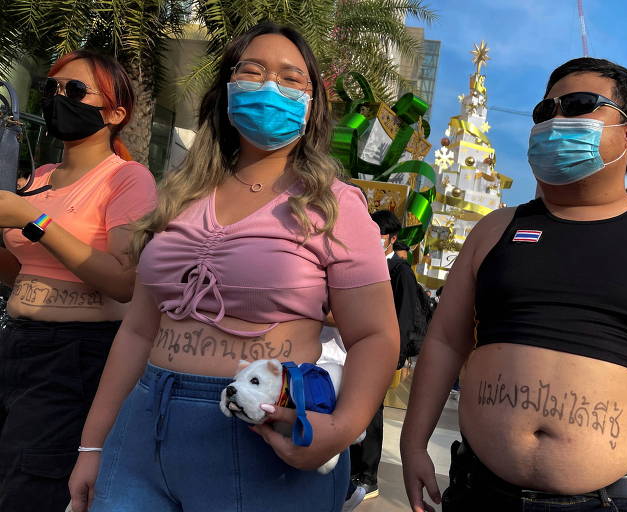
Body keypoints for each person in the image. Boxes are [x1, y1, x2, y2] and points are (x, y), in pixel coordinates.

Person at [401, 57, 627, 512]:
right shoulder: (495, 229)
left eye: (578, 105)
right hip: (481, 493)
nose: (556, 121)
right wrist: (413, 443)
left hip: (614, 502)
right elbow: (445, 340)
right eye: (546, 110)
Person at [67, 23, 398, 512]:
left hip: (260, 436)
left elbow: (376, 335)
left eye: (291, 79)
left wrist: (341, 428)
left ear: (313, 104)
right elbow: (137, 332)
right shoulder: (178, 196)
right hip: (141, 428)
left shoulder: (333, 205)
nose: (270, 87)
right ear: (226, 90)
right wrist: (93, 445)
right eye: (253, 71)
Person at [0, 50, 156, 512]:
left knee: (30, 486)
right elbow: (22, 270)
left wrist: (34, 219)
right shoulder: (42, 176)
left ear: (115, 113)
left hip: (73, 356)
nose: (57, 98)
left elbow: (124, 280)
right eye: (51, 89)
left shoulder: (127, 180)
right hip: (16, 343)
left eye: (74, 90)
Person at [349, 210, 419, 501]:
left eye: (379, 233)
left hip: (380, 351)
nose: (373, 238)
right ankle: (350, 467)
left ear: (391, 238)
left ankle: (368, 475)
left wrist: (396, 355)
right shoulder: (360, 263)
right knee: (351, 405)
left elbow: (404, 316)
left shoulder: (400, 272)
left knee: (371, 412)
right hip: (352, 346)